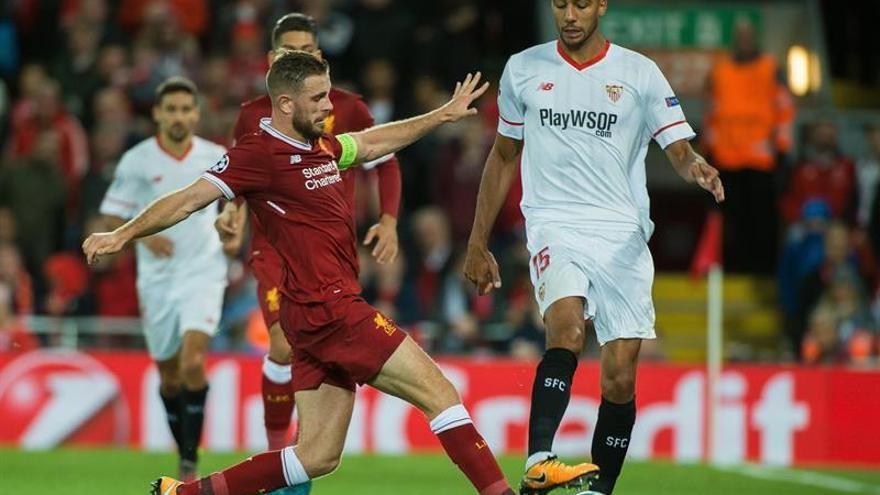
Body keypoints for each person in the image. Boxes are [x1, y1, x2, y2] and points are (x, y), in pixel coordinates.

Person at [83, 50, 515, 495]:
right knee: (440, 394)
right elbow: (189, 197)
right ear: (286, 104)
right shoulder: (258, 155)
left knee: (317, 457)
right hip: (330, 308)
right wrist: (123, 234)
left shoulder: (321, 146)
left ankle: (184, 493)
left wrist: (440, 116)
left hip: (309, 317)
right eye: (319, 98)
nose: (330, 106)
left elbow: (370, 143)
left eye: (328, 95)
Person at [462, 1, 725, 494]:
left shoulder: (639, 73)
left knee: (619, 378)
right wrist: (477, 241)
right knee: (565, 328)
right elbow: (502, 157)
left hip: (622, 232)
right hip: (554, 223)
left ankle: (599, 491)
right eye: (560, 4)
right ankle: (539, 461)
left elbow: (678, 148)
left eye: (581, 3)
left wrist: (696, 168)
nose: (569, 14)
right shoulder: (523, 69)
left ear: (601, 4)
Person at [218, 12, 402, 454]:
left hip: (331, 255)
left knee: (316, 353)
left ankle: (302, 455)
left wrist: (389, 220)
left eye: (306, 51)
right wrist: (232, 212)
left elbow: (385, 159)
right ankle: (276, 450)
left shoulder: (348, 107)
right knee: (281, 345)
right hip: (274, 249)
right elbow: (239, 175)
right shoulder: (251, 116)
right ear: (271, 60)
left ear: (319, 56)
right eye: (288, 51)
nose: (298, 57)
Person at [97, 76, 228, 482]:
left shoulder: (216, 155)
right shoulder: (137, 161)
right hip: (156, 282)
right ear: (156, 114)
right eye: (170, 109)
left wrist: (234, 225)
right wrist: (144, 239)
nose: (178, 116)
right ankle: (184, 450)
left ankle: (189, 463)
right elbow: (112, 215)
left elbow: (238, 204)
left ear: (196, 114)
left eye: (186, 109)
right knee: (169, 377)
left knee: (192, 363)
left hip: (203, 271)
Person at [703, 18, 794, 274]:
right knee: (732, 222)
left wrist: (783, 151)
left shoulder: (770, 68)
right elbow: (711, 112)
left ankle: (764, 272)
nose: (743, 41)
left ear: (755, 38)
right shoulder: (720, 71)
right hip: (727, 160)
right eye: (739, 35)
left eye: (747, 35)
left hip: (761, 161)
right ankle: (736, 271)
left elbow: (785, 109)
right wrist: (708, 154)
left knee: (763, 221)